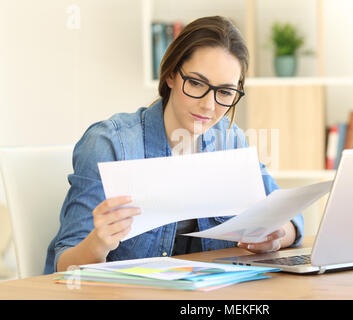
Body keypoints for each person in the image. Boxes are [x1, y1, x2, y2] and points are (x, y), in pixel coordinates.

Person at [44, 16, 304, 274]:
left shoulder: (230, 140)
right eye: (196, 83)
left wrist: (277, 235)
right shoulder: (110, 144)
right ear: (170, 74)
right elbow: (64, 267)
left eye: (225, 92)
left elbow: (289, 217)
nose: (209, 106)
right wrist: (98, 243)